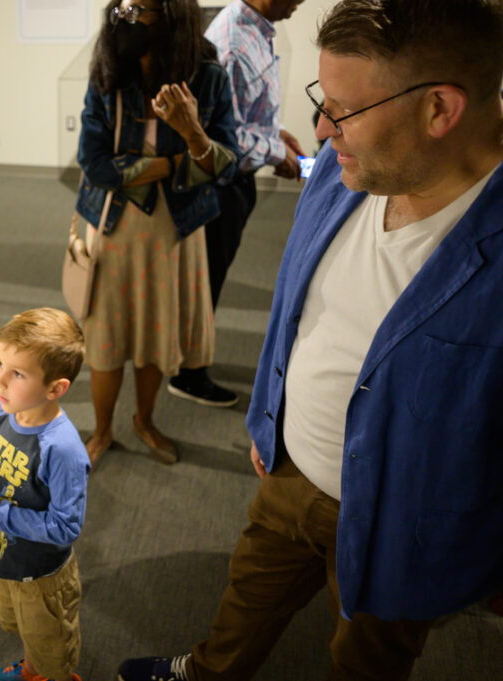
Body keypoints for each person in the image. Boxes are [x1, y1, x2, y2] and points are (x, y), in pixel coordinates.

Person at [117, 1, 503, 679]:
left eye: (345, 110)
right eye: (321, 101)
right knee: (246, 602)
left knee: (365, 657)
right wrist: (272, 418)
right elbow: (296, 305)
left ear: (440, 109)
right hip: (289, 471)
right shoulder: (338, 166)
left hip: (400, 527)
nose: (322, 128)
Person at [77, 0, 240, 466]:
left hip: (175, 227)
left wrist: (194, 134)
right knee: (105, 339)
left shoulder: (207, 76)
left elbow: (228, 169)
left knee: (154, 334)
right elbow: (94, 165)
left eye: (140, 9)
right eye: (123, 8)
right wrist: (175, 163)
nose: (127, 18)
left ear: (172, 15)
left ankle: (144, 421)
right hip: (113, 223)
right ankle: (102, 429)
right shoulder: (109, 72)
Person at [164, 0, 307, 407]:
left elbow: (244, 111)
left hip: (234, 182)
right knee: (204, 280)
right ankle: (186, 372)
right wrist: (275, 152)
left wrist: (276, 135)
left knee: (211, 275)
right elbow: (222, 138)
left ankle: (188, 359)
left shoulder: (253, 29)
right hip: (219, 184)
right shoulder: (233, 41)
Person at [0, 308, 89, 681]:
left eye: (18, 374)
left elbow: (66, 527)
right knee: (28, 633)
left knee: (53, 647)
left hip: (42, 576)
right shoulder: (2, 407)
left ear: (56, 388)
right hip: (7, 559)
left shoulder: (62, 450)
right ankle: (31, 672)